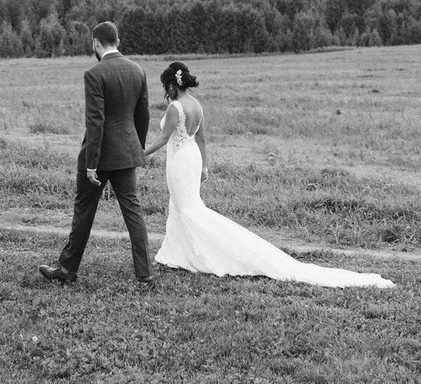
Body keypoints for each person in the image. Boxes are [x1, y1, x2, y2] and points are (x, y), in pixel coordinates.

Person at [145, 62, 394, 289]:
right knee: (181, 206)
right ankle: (176, 253)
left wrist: (141, 154)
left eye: (164, 87)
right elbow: (201, 138)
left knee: (189, 210)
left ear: (171, 85)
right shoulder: (197, 105)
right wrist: (205, 167)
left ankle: (209, 253)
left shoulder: (176, 108)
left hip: (179, 161)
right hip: (192, 158)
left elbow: (164, 138)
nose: (165, 92)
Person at [39, 21, 154, 289]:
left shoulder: (94, 73)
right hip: (126, 153)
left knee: (84, 211)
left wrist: (91, 164)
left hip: (99, 158)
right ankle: (145, 275)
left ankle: (67, 269)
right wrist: (136, 148)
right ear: (118, 41)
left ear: (96, 43)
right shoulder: (138, 70)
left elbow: (96, 122)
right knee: (133, 212)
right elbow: (143, 115)